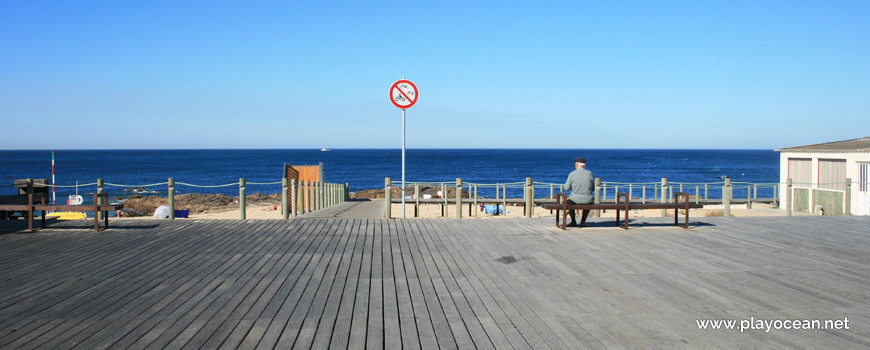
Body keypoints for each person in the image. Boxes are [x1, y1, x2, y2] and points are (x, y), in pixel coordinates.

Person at [563, 157, 594, 227]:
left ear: (576, 164)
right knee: (588, 202)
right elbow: (592, 188)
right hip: (588, 199)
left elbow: (566, 188)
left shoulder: (572, 174)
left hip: (575, 199)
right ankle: (583, 221)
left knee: (568, 202)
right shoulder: (590, 173)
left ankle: (573, 221)